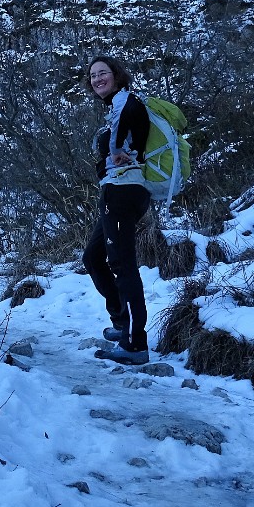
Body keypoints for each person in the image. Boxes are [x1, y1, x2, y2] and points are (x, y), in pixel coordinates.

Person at [82, 55, 153, 365]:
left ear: (117, 75)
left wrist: (114, 152)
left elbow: (118, 147)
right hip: (117, 190)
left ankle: (136, 343)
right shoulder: (115, 106)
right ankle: (122, 320)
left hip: (124, 191)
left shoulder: (125, 102)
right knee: (94, 257)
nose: (98, 79)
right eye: (93, 75)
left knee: (123, 264)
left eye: (103, 73)